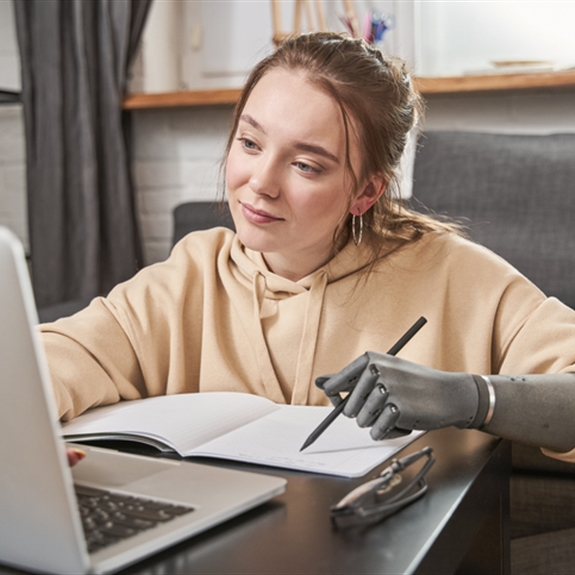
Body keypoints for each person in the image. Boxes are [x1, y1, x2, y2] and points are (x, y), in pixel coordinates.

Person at [42, 32, 575, 463]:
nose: (260, 183)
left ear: (366, 191)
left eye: (305, 164)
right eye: (250, 143)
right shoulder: (188, 276)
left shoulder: (458, 276)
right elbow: (56, 358)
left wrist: (472, 397)